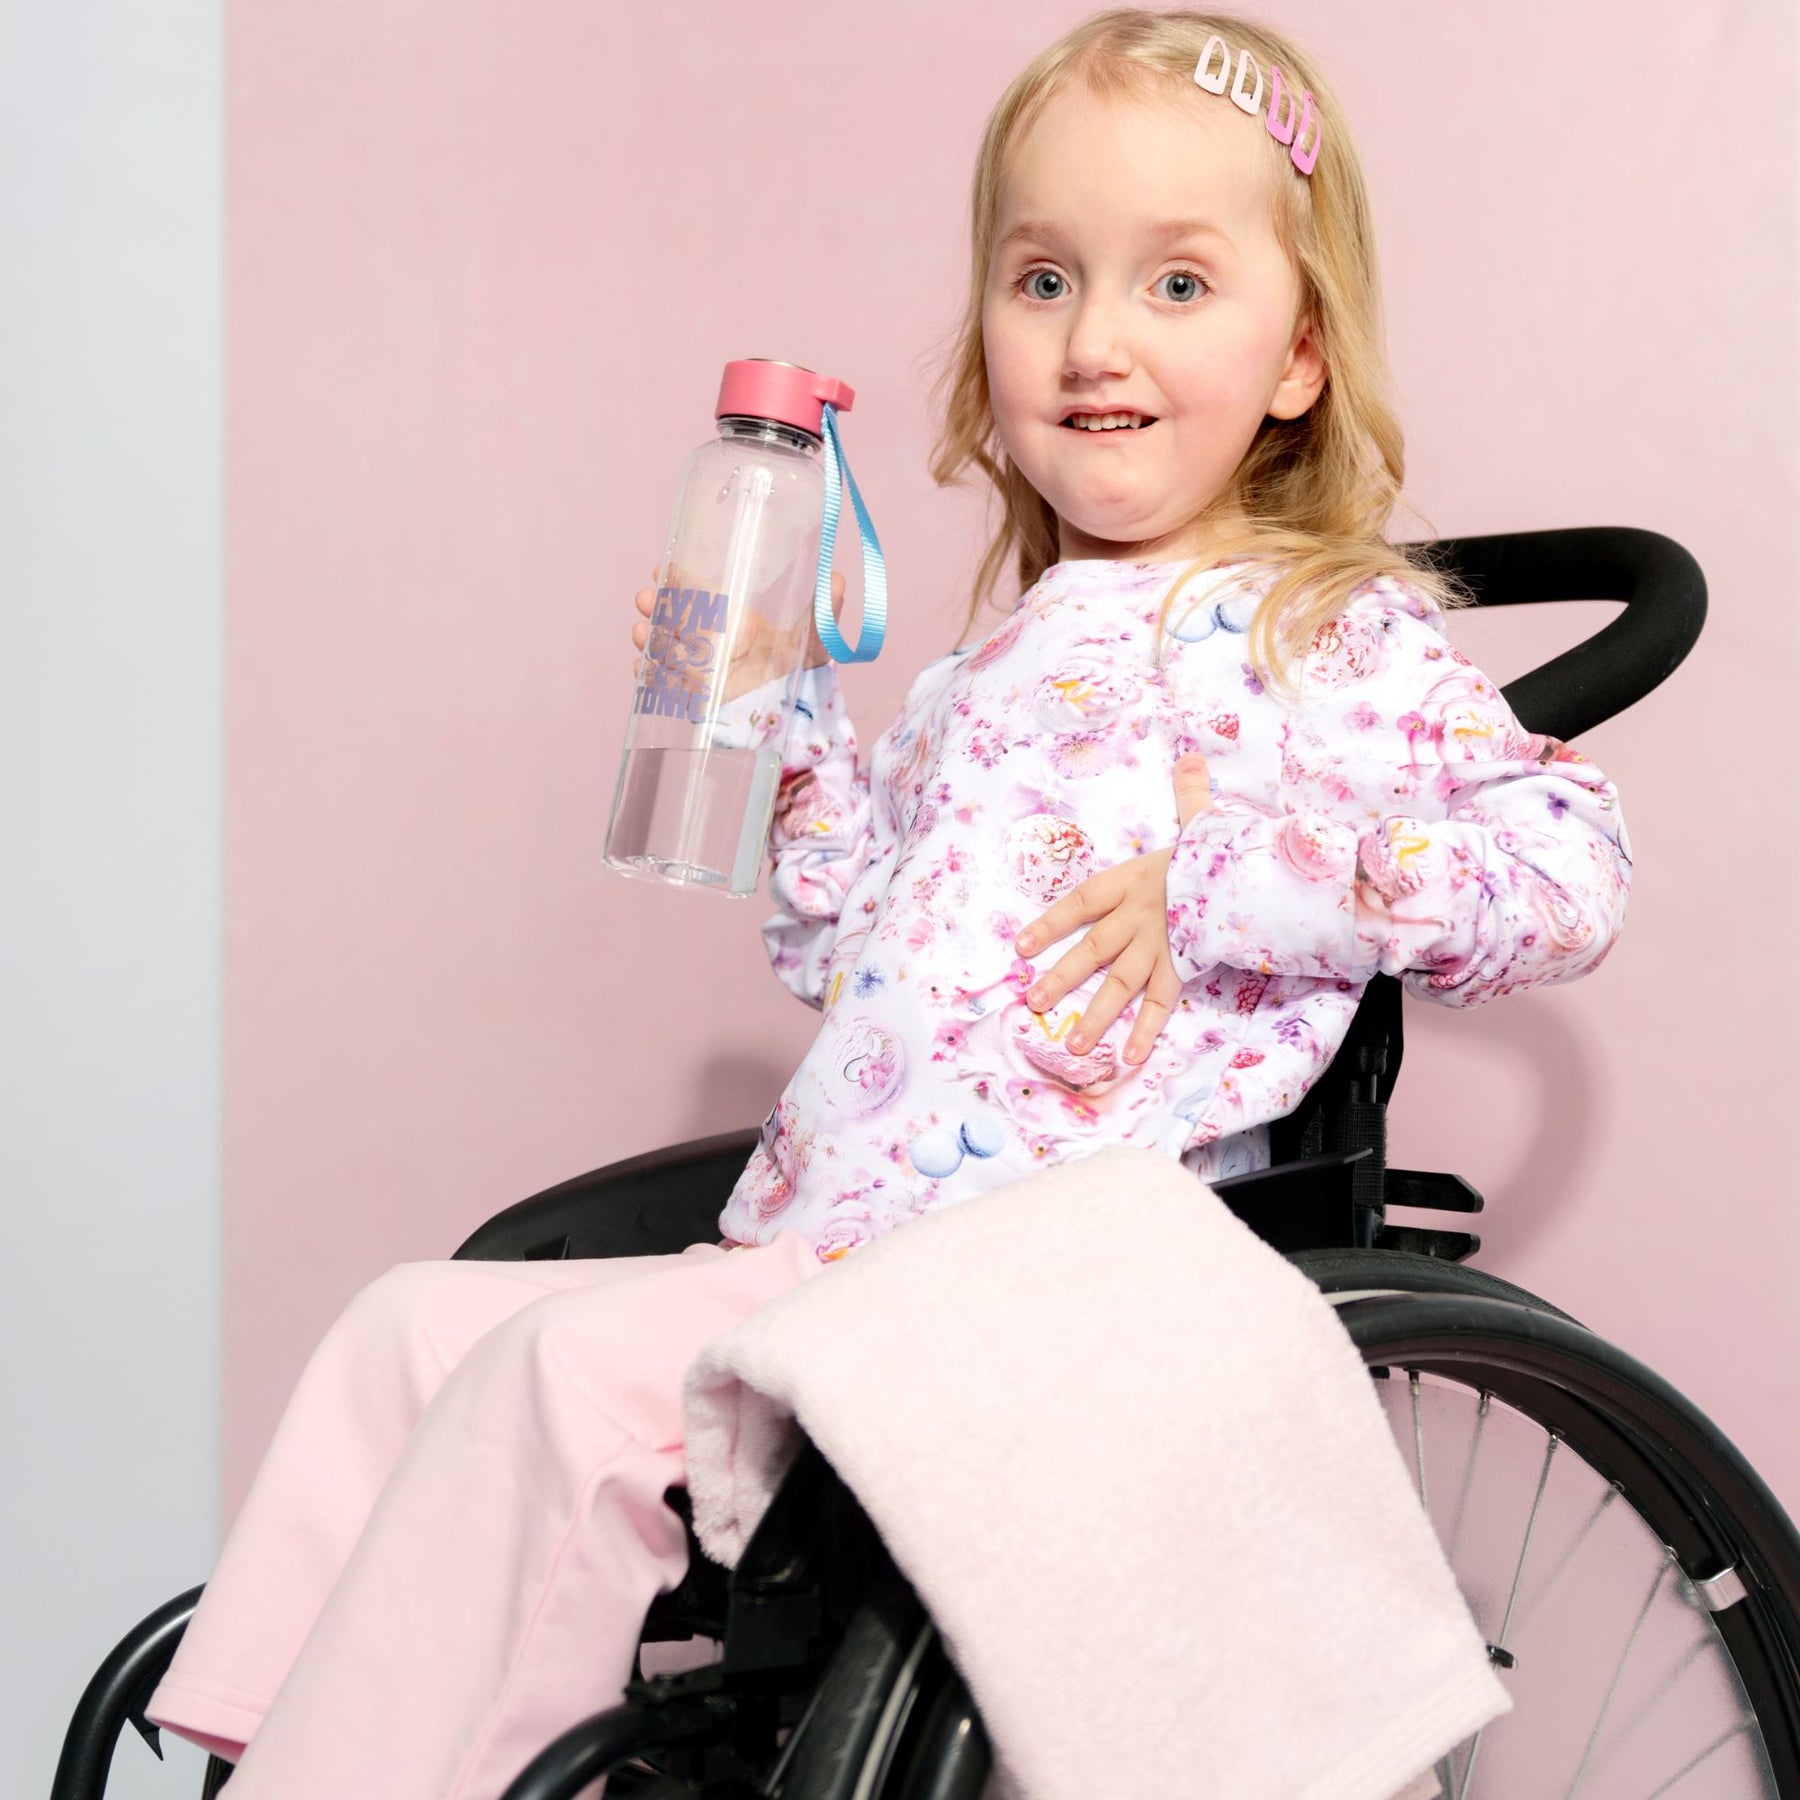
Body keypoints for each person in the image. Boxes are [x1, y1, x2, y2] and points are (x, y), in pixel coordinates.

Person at [145, 10, 1631, 1796]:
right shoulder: (984, 670)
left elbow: (1571, 871)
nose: (1095, 340)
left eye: (1177, 284)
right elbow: (852, 952)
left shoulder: (1335, 640)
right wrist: (780, 723)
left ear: (1299, 353)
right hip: (841, 1245)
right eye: (1043, 280)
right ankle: (273, 1750)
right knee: (405, 1323)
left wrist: (1236, 879)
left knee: (562, 1382)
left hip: (1033, 1278)